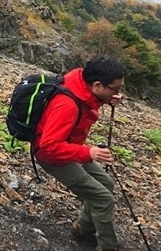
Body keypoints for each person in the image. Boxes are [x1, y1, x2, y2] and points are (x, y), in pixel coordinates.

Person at [33, 55, 125, 251]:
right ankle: (108, 246)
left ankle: (83, 229)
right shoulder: (67, 105)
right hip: (52, 156)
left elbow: (88, 100)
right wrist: (89, 152)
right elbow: (49, 145)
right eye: (115, 89)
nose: (118, 93)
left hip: (70, 147)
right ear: (98, 85)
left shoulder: (81, 81)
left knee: (106, 184)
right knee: (103, 199)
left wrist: (109, 98)